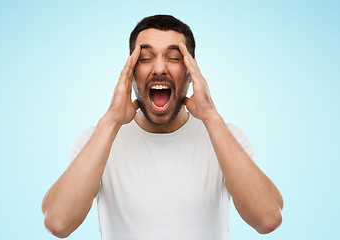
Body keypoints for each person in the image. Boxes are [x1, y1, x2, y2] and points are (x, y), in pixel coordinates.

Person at [41, 15, 283, 240]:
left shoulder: (226, 136)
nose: (158, 68)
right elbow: (59, 223)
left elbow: (268, 219)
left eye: (175, 58)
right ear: (131, 72)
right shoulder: (98, 139)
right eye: (145, 58)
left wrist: (211, 118)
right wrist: (111, 121)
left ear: (190, 72)